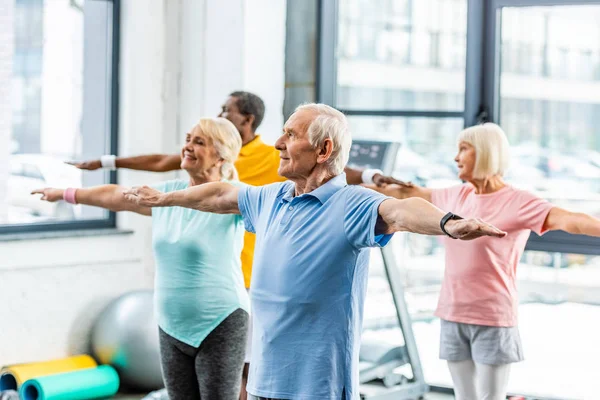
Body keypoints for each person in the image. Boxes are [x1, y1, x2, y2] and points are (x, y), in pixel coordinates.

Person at [121, 103, 506, 400]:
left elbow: (402, 211)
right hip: (265, 379)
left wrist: (448, 223)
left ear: (323, 149)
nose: (277, 143)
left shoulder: (353, 203)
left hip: (319, 385)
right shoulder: (270, 197)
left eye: (290, 134)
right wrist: (166, 198)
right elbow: (220, 193)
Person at [68, 91, 406, 400]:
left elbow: (330, 163)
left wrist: (370, 176)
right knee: (258, 372)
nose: (221, 112)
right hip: (252, 278)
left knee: (242, 372)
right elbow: (162, 162)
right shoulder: (218, 153)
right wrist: (106, 163)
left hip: (240, 281)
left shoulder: (264, 155)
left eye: (227, 109)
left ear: (247, 120)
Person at [374, 122, 600, 400]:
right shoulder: (454, 194)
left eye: (464, 149)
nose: (456, 157)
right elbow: (406, 196)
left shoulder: (519, 201)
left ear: (485, 153)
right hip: (452, 312)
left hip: (492, 316)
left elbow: (571, 220)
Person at [33, 118, 250, 400]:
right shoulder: (165, 196)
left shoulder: (232, 196)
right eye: (188, 138)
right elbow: (115, 197)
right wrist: (66, 193)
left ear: (221, 154)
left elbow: (216, 196)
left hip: (220, 320)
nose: (187, 146)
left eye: (199, 142)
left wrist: (164, 199)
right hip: (171, 323)